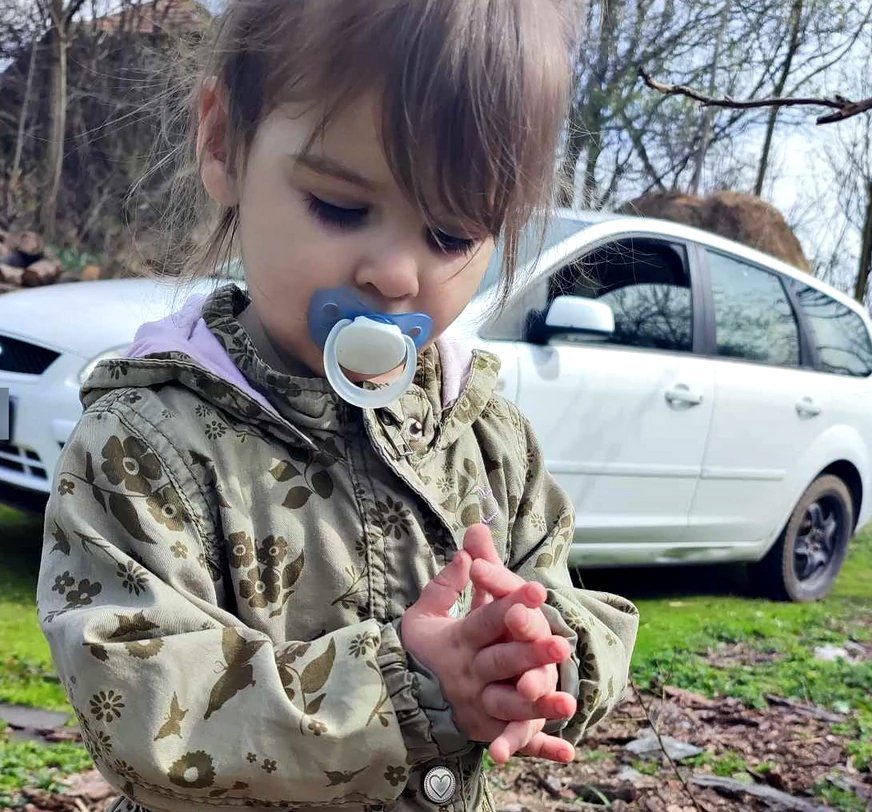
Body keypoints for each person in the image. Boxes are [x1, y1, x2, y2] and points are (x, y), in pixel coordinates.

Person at [36, 2, 639, 810]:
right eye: (342, 207)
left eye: (452, 235)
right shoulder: (147, 442)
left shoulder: (484, 432)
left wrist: (533, 660)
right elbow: (143, 707)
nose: (395, 274)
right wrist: (411, 686)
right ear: (224, 141)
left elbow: (571, 597)